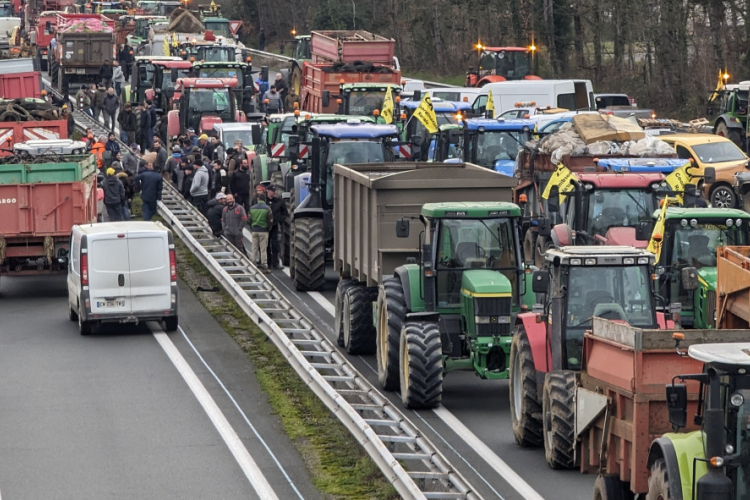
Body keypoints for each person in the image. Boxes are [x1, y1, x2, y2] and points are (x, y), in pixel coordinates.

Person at [249, 193, 273, 272]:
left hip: (254, 230)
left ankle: (253, 263)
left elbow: (249, 220)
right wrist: (268, 228)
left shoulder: (252, 208)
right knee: (263, 249)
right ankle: (264, 266)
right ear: (265, 200)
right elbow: (270, 220)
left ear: (258, 199)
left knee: (254, 248)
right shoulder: (267, 208)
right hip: (264, 231)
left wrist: (252, 227)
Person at [265, 185, 287, 269]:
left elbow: (285, 213)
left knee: (275, 245)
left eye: (274, 191)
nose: (274, 193)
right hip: (265, 226)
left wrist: (280, 219)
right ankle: (267, 262)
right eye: (272, 191)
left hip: (275, 225)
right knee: (266, 245)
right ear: (268, 191)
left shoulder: (279, 201)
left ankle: (275, 263)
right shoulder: (264, 200)